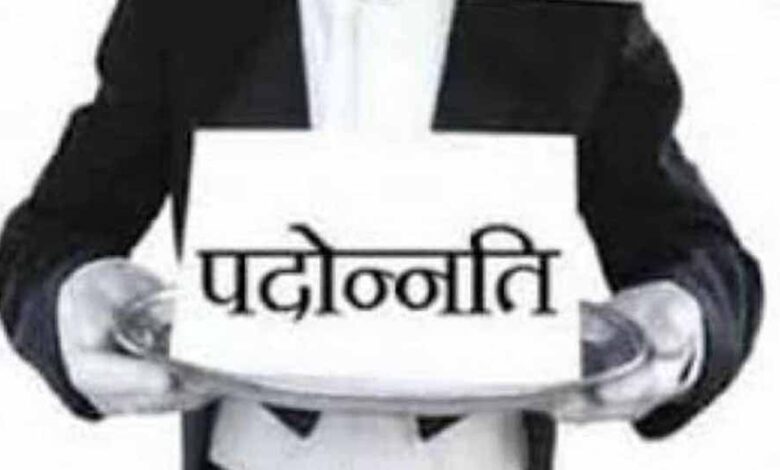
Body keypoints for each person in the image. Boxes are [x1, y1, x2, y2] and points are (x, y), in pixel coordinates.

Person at [0, 0, 763, 469]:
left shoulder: (580, 17)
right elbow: (50, 236)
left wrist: (686, 321)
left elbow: (695, 251)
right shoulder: (183, 12)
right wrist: (67, 302)